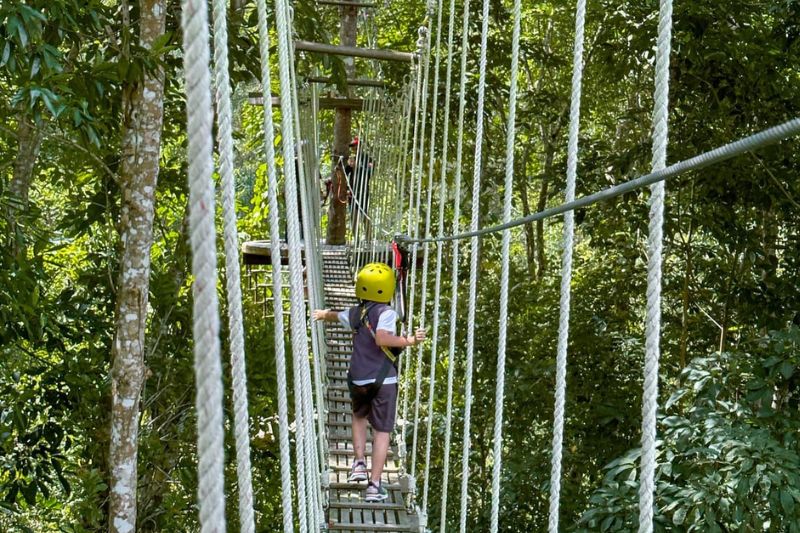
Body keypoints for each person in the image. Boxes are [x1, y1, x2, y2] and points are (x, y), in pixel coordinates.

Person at [312, 263, 425, 502]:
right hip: (384, 381)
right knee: (383, 431)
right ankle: (374, 485)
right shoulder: (387, 313)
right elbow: (383, 338)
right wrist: (410, 340)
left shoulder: (357, 313)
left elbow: (337, 315)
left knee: (359, 418)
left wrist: (323, 315)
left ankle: (359, 464)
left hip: (358, 378)